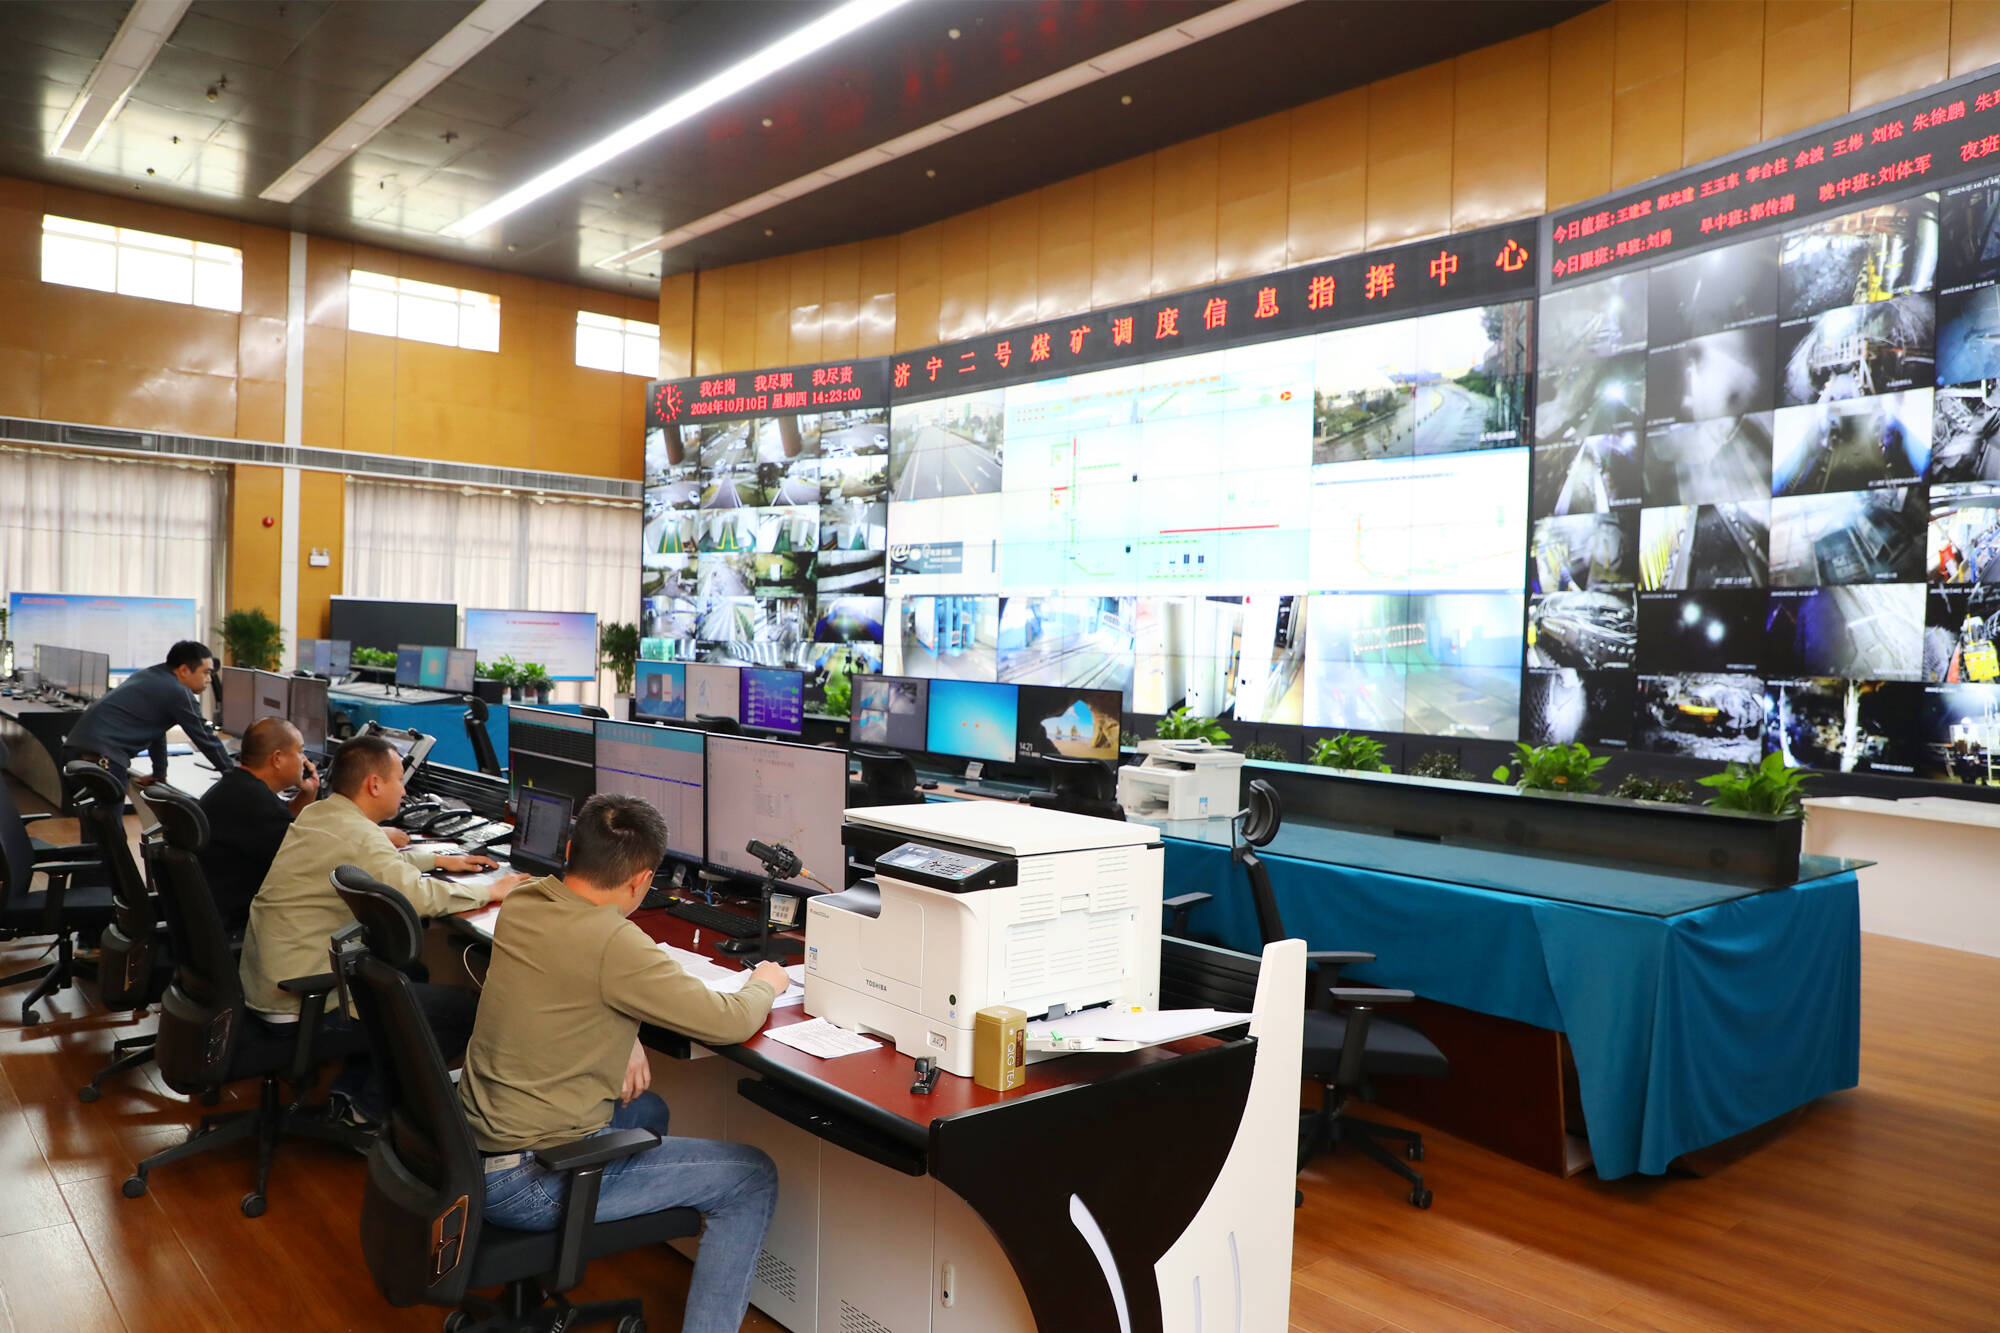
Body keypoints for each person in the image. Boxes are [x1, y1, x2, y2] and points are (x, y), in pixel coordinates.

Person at [459, 795, 785, 1333]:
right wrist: (764, 983)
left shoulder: (524, 902)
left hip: (472, 1150)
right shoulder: (614, 943)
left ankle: (567, 1255)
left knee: (648, 1110)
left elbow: (569, 983)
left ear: (570, 851)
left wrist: (626, 1031)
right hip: (529, 1180)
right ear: (642, 881)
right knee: (752, 1176)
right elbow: (729, 1021)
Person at [240, 734, 528, 1121]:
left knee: (412, 972)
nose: (404, 790)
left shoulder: (320, 815)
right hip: (303, 1002)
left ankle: (349, 1093)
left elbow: (375, 863)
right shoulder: (360, 836)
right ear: (375, 784)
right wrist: (491, 891)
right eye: (399, 780)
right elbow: (419, 898)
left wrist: (438, 861)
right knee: (465, 1012)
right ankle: (367, 1110)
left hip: (271, 984)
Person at [198, 716, 319, 937]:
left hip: (208, 918)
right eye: (300, 752)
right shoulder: (259, 806)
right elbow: (306, 860)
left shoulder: (236, 786)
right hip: (238, 926)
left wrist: (306, 795)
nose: (305, 760)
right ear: (277, 759)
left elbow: (281, 825)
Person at [61, 640, 233, 788]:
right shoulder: (178, 692)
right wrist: (234, 777)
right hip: (102, 757)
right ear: (184, 670)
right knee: (109, 814)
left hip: (74, 749)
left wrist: (159, 772)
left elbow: (156, 730)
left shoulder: (150, 675)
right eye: (206, 673)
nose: (209, 680)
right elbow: (205, 738)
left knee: (89, 814)